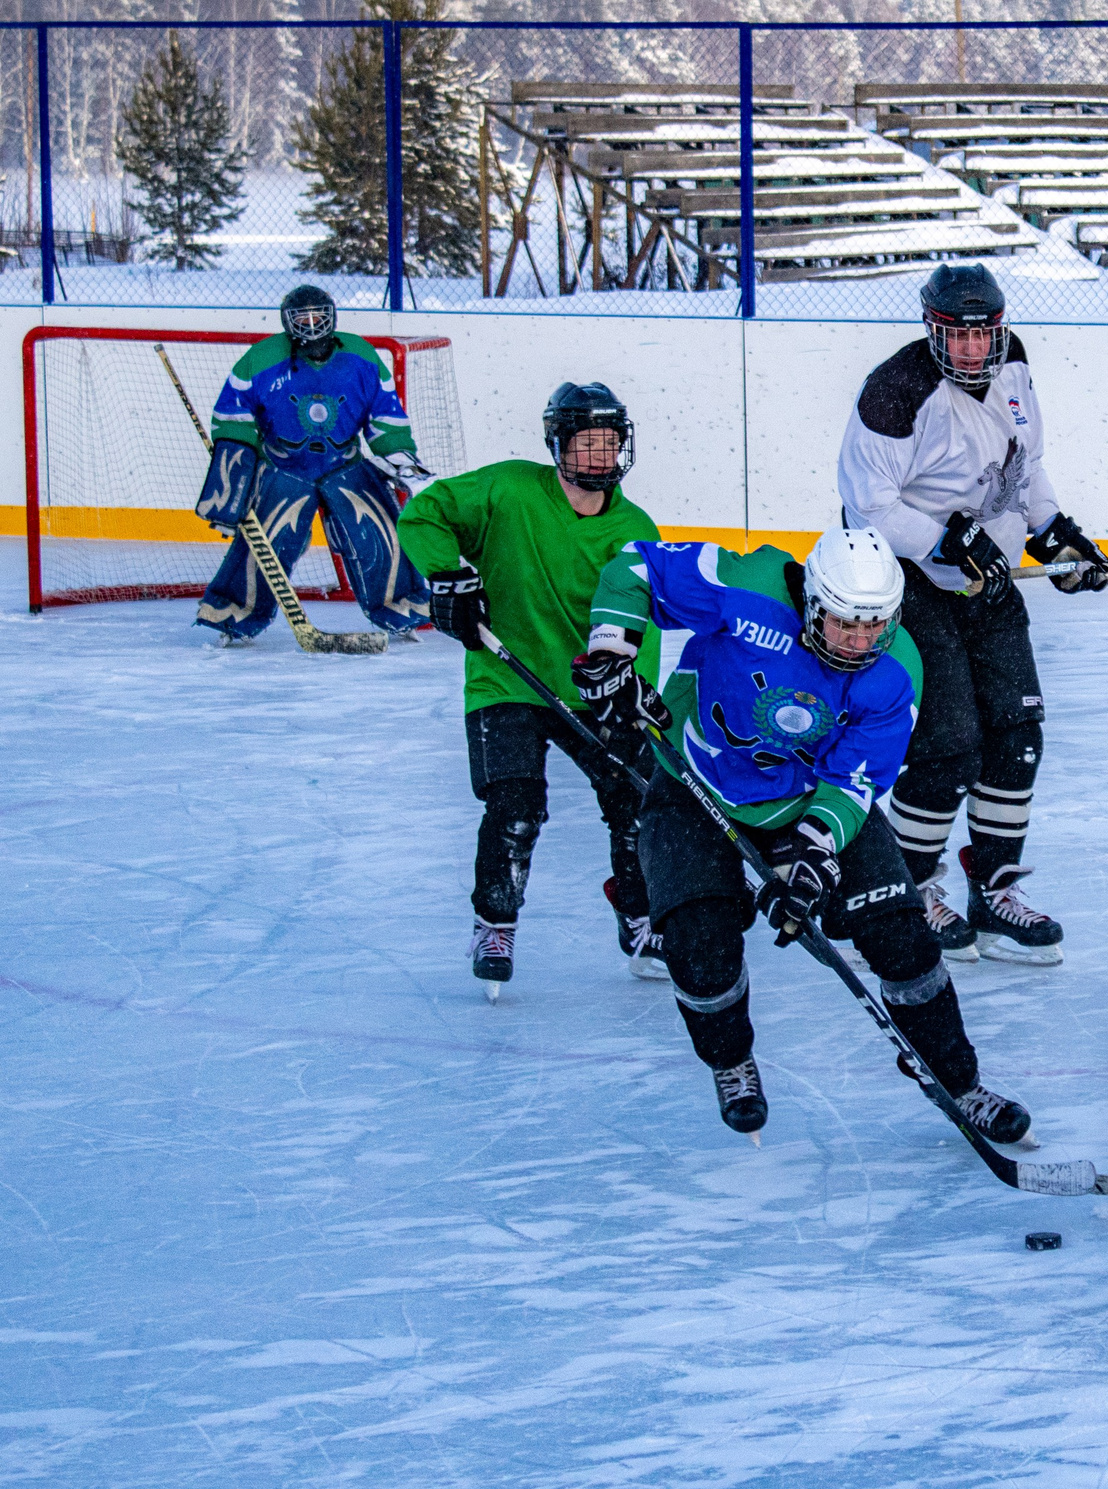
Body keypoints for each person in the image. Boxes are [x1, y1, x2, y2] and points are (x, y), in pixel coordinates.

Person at [578, 523, 1034, 1141]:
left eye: (875, 625)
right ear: (813, 602)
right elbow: (637, 566)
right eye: (845, 623)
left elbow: (853, 782)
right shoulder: (751, 588)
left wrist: (814, 852)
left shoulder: (896, 670)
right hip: (695, 782)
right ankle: (731, 1060)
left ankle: (956, 1080)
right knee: (698, 942)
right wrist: (614, 653)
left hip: (803, 801)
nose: (859, 642)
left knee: (902, 937)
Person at [835, 262, 1108, 967]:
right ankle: (911, 885)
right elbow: (867, 505)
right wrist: (945, 541)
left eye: (981, 333)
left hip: (983, 575)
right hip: (911, 579)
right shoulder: (896, 392)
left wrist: (1056, 533)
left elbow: (1026, 465)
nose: (970, 349)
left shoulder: (1014, 362)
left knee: (1017, 731)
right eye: (955, 336)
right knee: (949, 739)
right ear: (931, 329)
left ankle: (994, 892)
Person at [398, 383, 666, 993]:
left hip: (588, 686)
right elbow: (423, 514)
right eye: (587, 442)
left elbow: (640, 627)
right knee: (515, 804)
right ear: (558, 445)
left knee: (637, 796)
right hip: (505, 679)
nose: (601, 455)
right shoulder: (509, 489)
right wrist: (450, 577)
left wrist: (626, 685)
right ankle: (494, 923)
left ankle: (641, 916)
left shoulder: (635, 528)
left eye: (611, 442)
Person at [193, 285, 433, 642]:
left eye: (318, 316)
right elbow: (232, 416)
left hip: (346, 466)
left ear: (331, 315)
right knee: (265, 543)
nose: (311, 325)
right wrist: (235, 475)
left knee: (381, 534)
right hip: (283, 469)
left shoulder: (362, 356)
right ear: (286, 321)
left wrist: (400, 459)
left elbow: (384, 415)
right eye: (301, 318)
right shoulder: (260, 359)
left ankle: (404, 608)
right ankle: (234, 615)